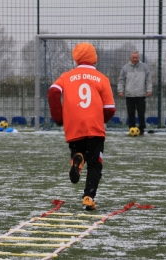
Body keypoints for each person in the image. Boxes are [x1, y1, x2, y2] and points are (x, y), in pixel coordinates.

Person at [48, 42, 116, 210]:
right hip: (94, 127)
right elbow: (109, 108)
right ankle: (88, 196)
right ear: (94, 58)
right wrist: (102, 119)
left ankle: (77, 156)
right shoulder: (102, 78)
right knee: (95, 164)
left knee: (79, 149)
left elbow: (53, 91)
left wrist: (58, 116)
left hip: (73, 125)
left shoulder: (67, 76)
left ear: (76, 57)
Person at [117, 51, 152, 135]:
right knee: (131, 113)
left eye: (136, 57)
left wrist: (149, 90)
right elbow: (121, 80)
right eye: (134, 58)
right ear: (130, 58)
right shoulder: (125, 68)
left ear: (139, 58)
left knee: (141, 113)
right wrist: (120, 90)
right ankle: (131, 128)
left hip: (141, 94)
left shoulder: (144, 67)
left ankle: (141, 129)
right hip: (129, 95)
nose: (135, 59)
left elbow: (148, 80)